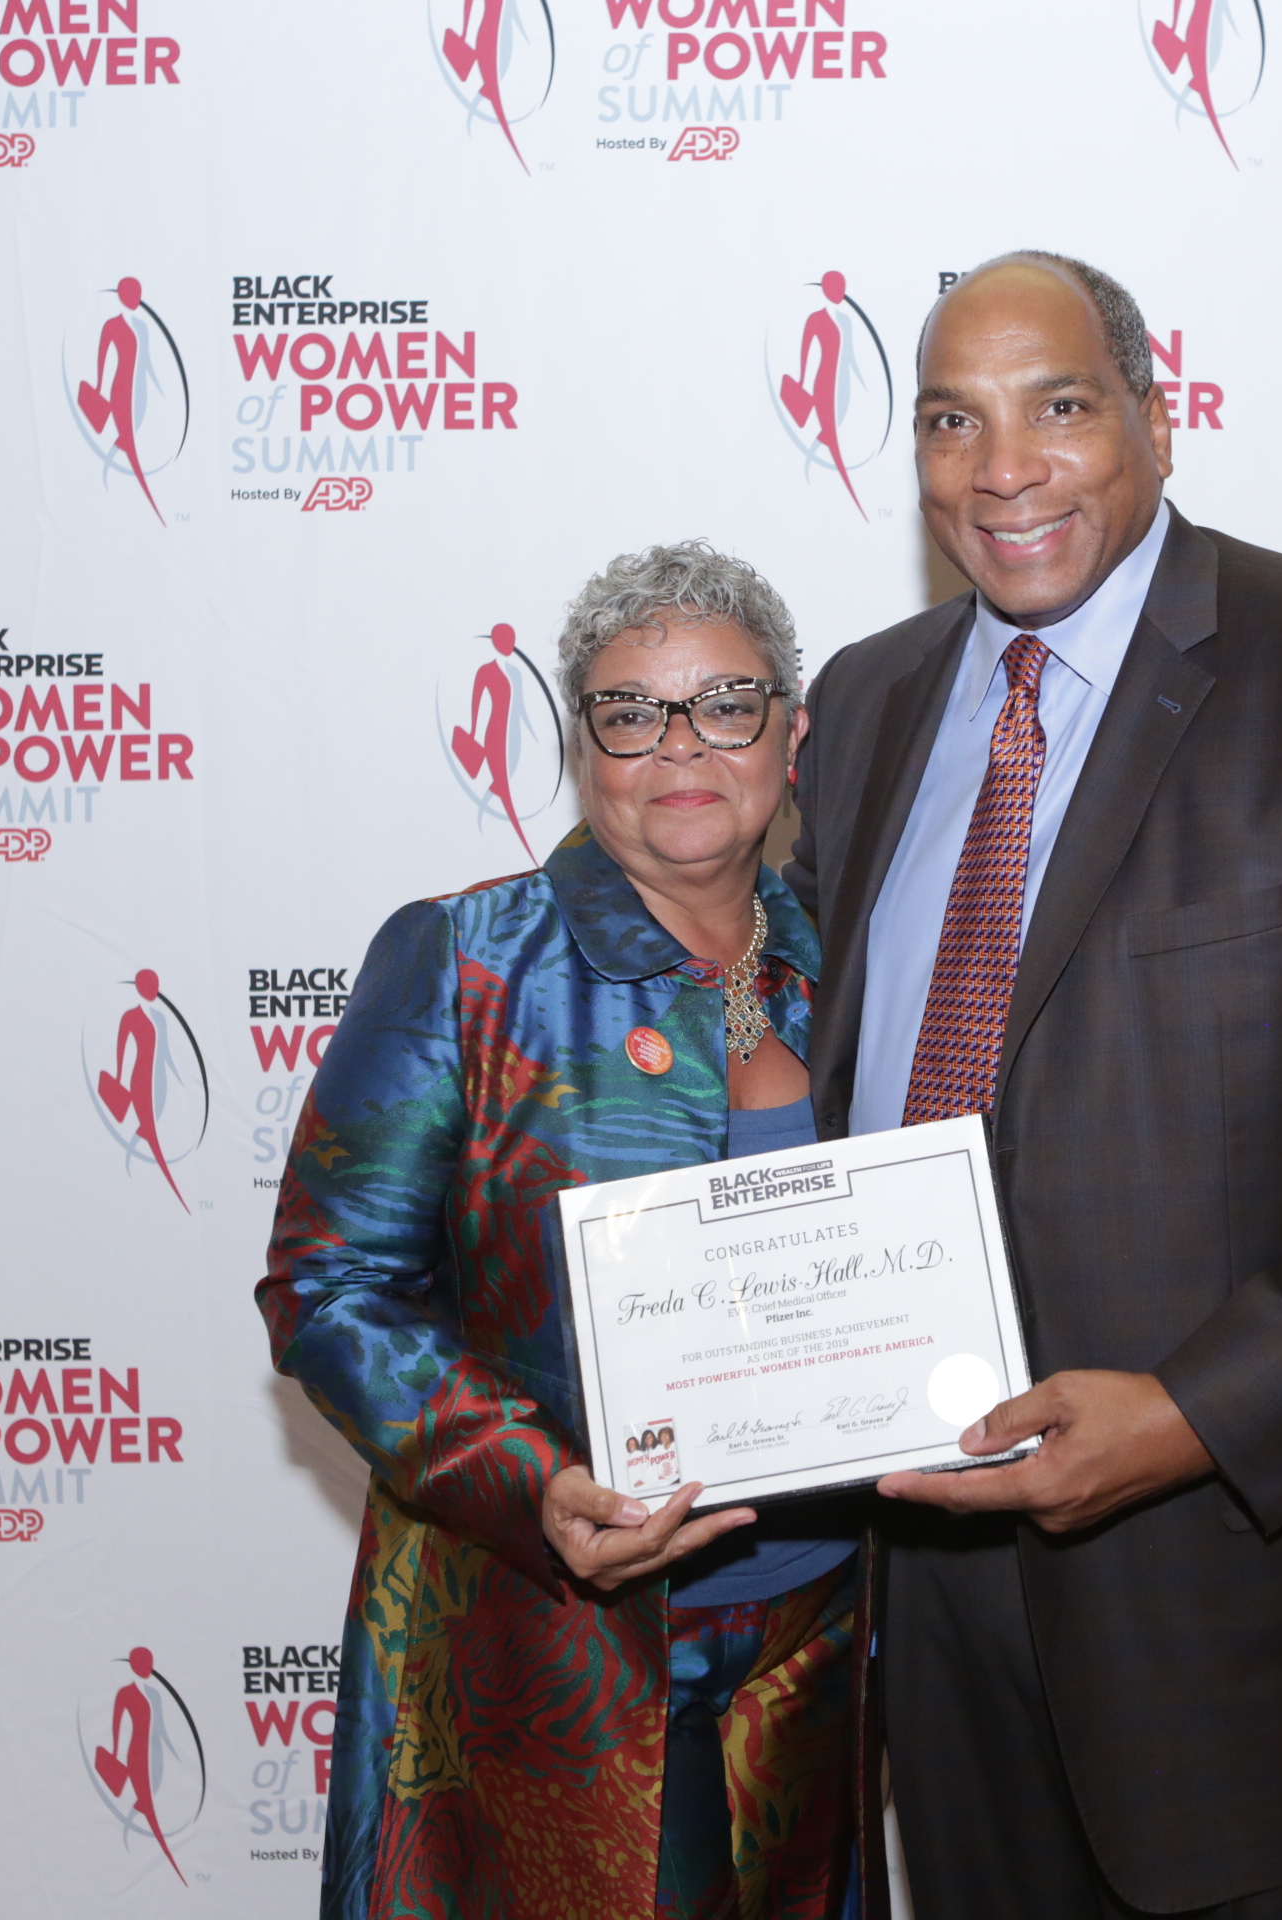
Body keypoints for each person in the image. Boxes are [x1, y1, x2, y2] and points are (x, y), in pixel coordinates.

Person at [786, 253, 1282, 1916]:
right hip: (941, 1623)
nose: (1003, 469)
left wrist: (1191, 1415)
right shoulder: (867, 701)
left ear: (1155, 423)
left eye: (1058, 407)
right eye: (951, 421)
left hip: (1257, 1628)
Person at [258, 542, 875, 1920]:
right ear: (580, 745)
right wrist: (529, 1481)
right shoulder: (468, 961)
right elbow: (330, 1287)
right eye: (631, 711)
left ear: (791, 738)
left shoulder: (859, 961)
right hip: (561, 1638)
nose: (681, 745)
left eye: (726, 704)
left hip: (821, 1637)